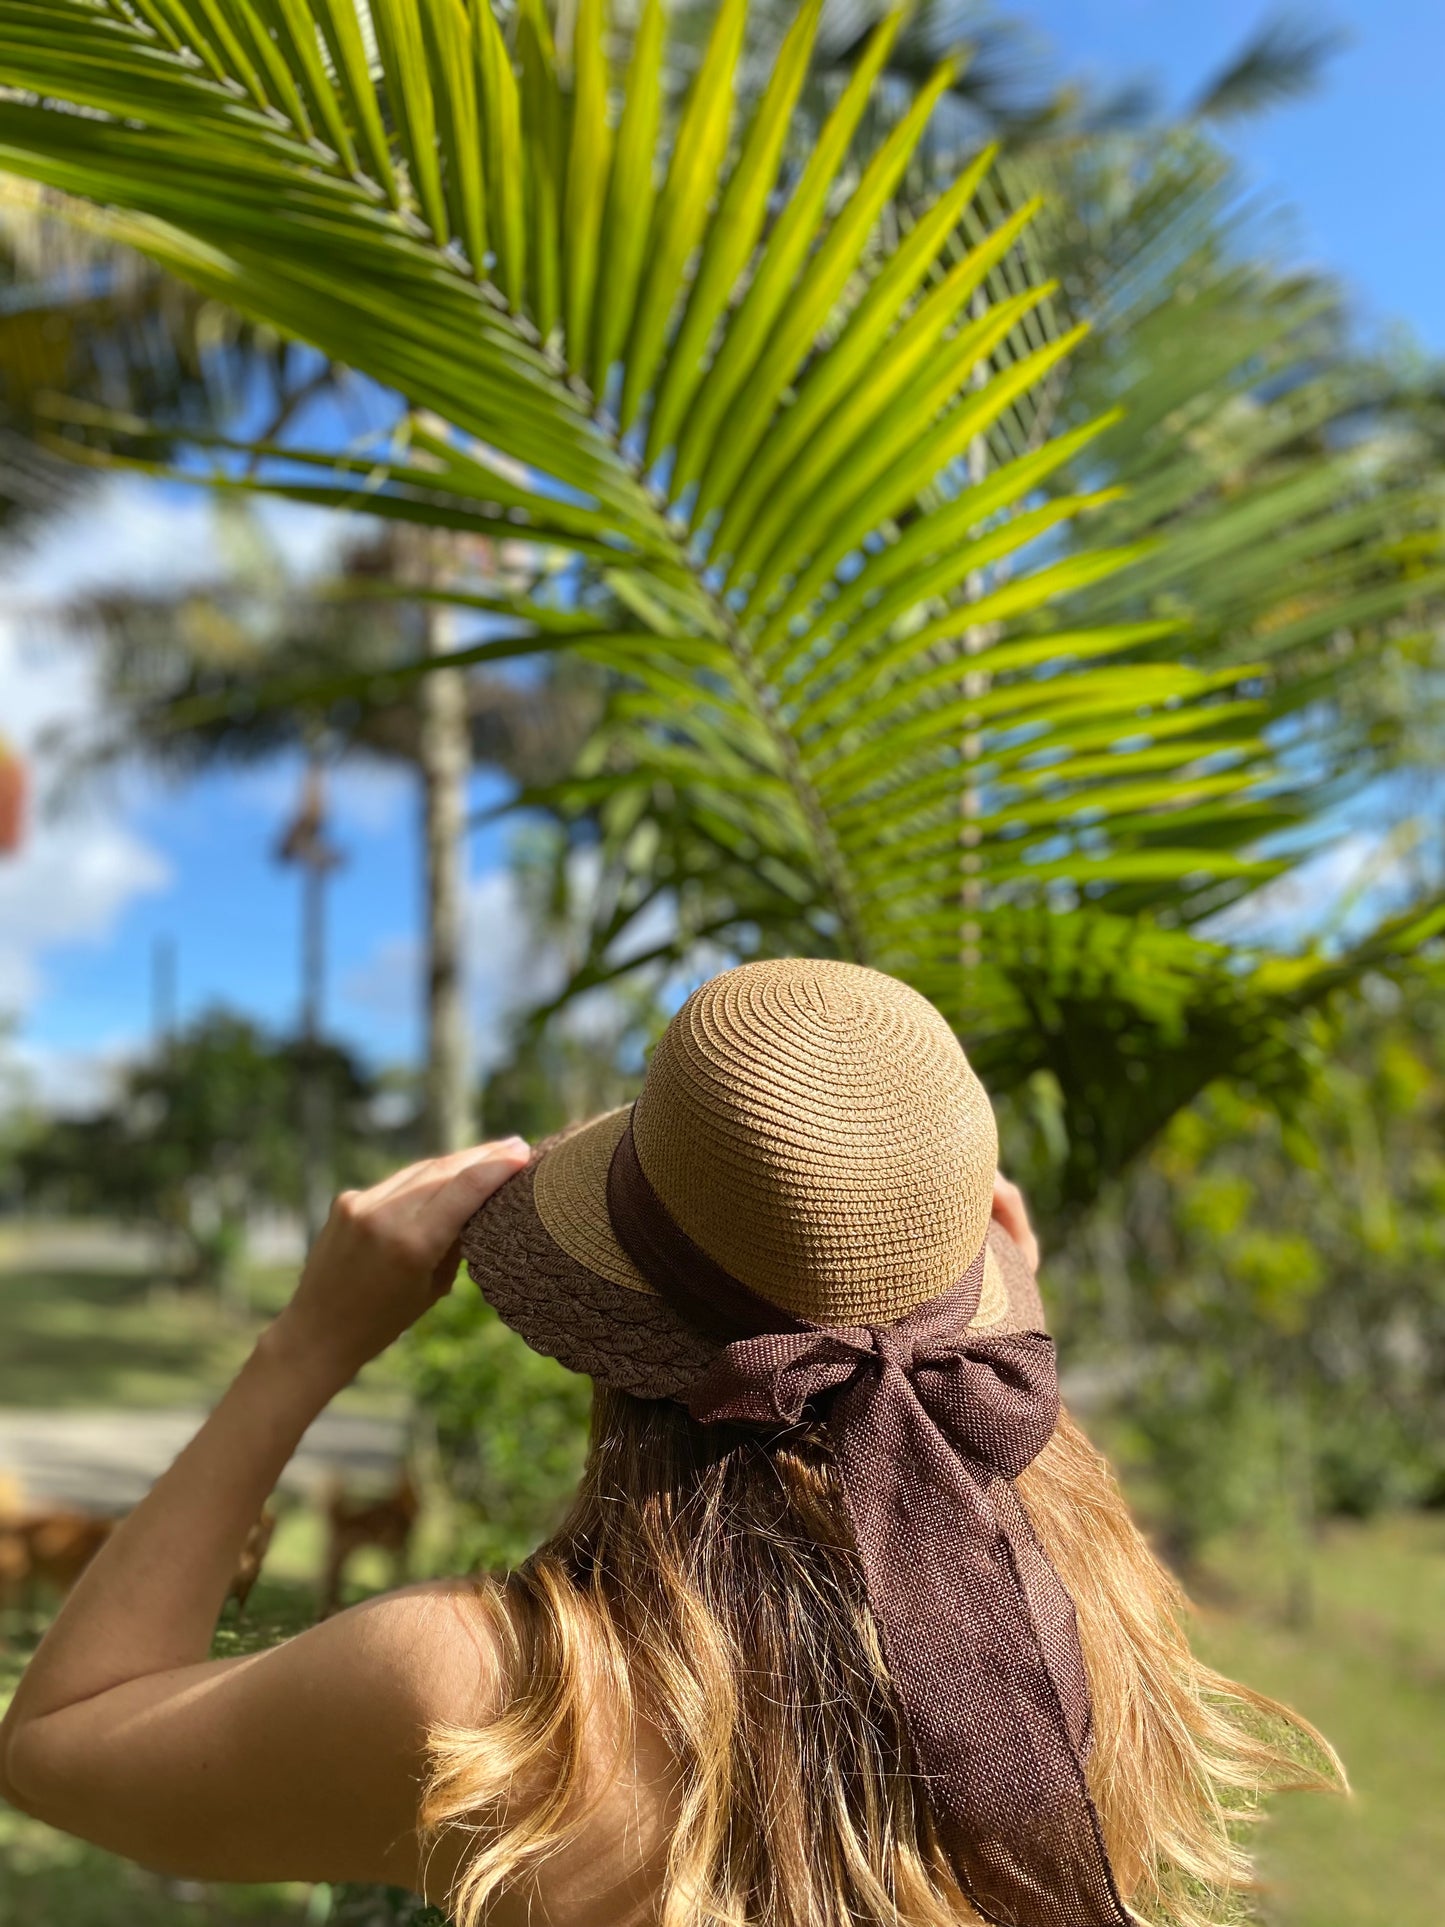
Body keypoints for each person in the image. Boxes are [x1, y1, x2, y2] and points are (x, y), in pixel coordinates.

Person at [0, 959, 1337, 1927]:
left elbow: (59, 1742)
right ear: (984, 1269)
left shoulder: (495, 1702)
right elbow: (943, 1444)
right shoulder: (1102, 1639)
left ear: (608, 1328)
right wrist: (957, 1295)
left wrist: (303, 1348)